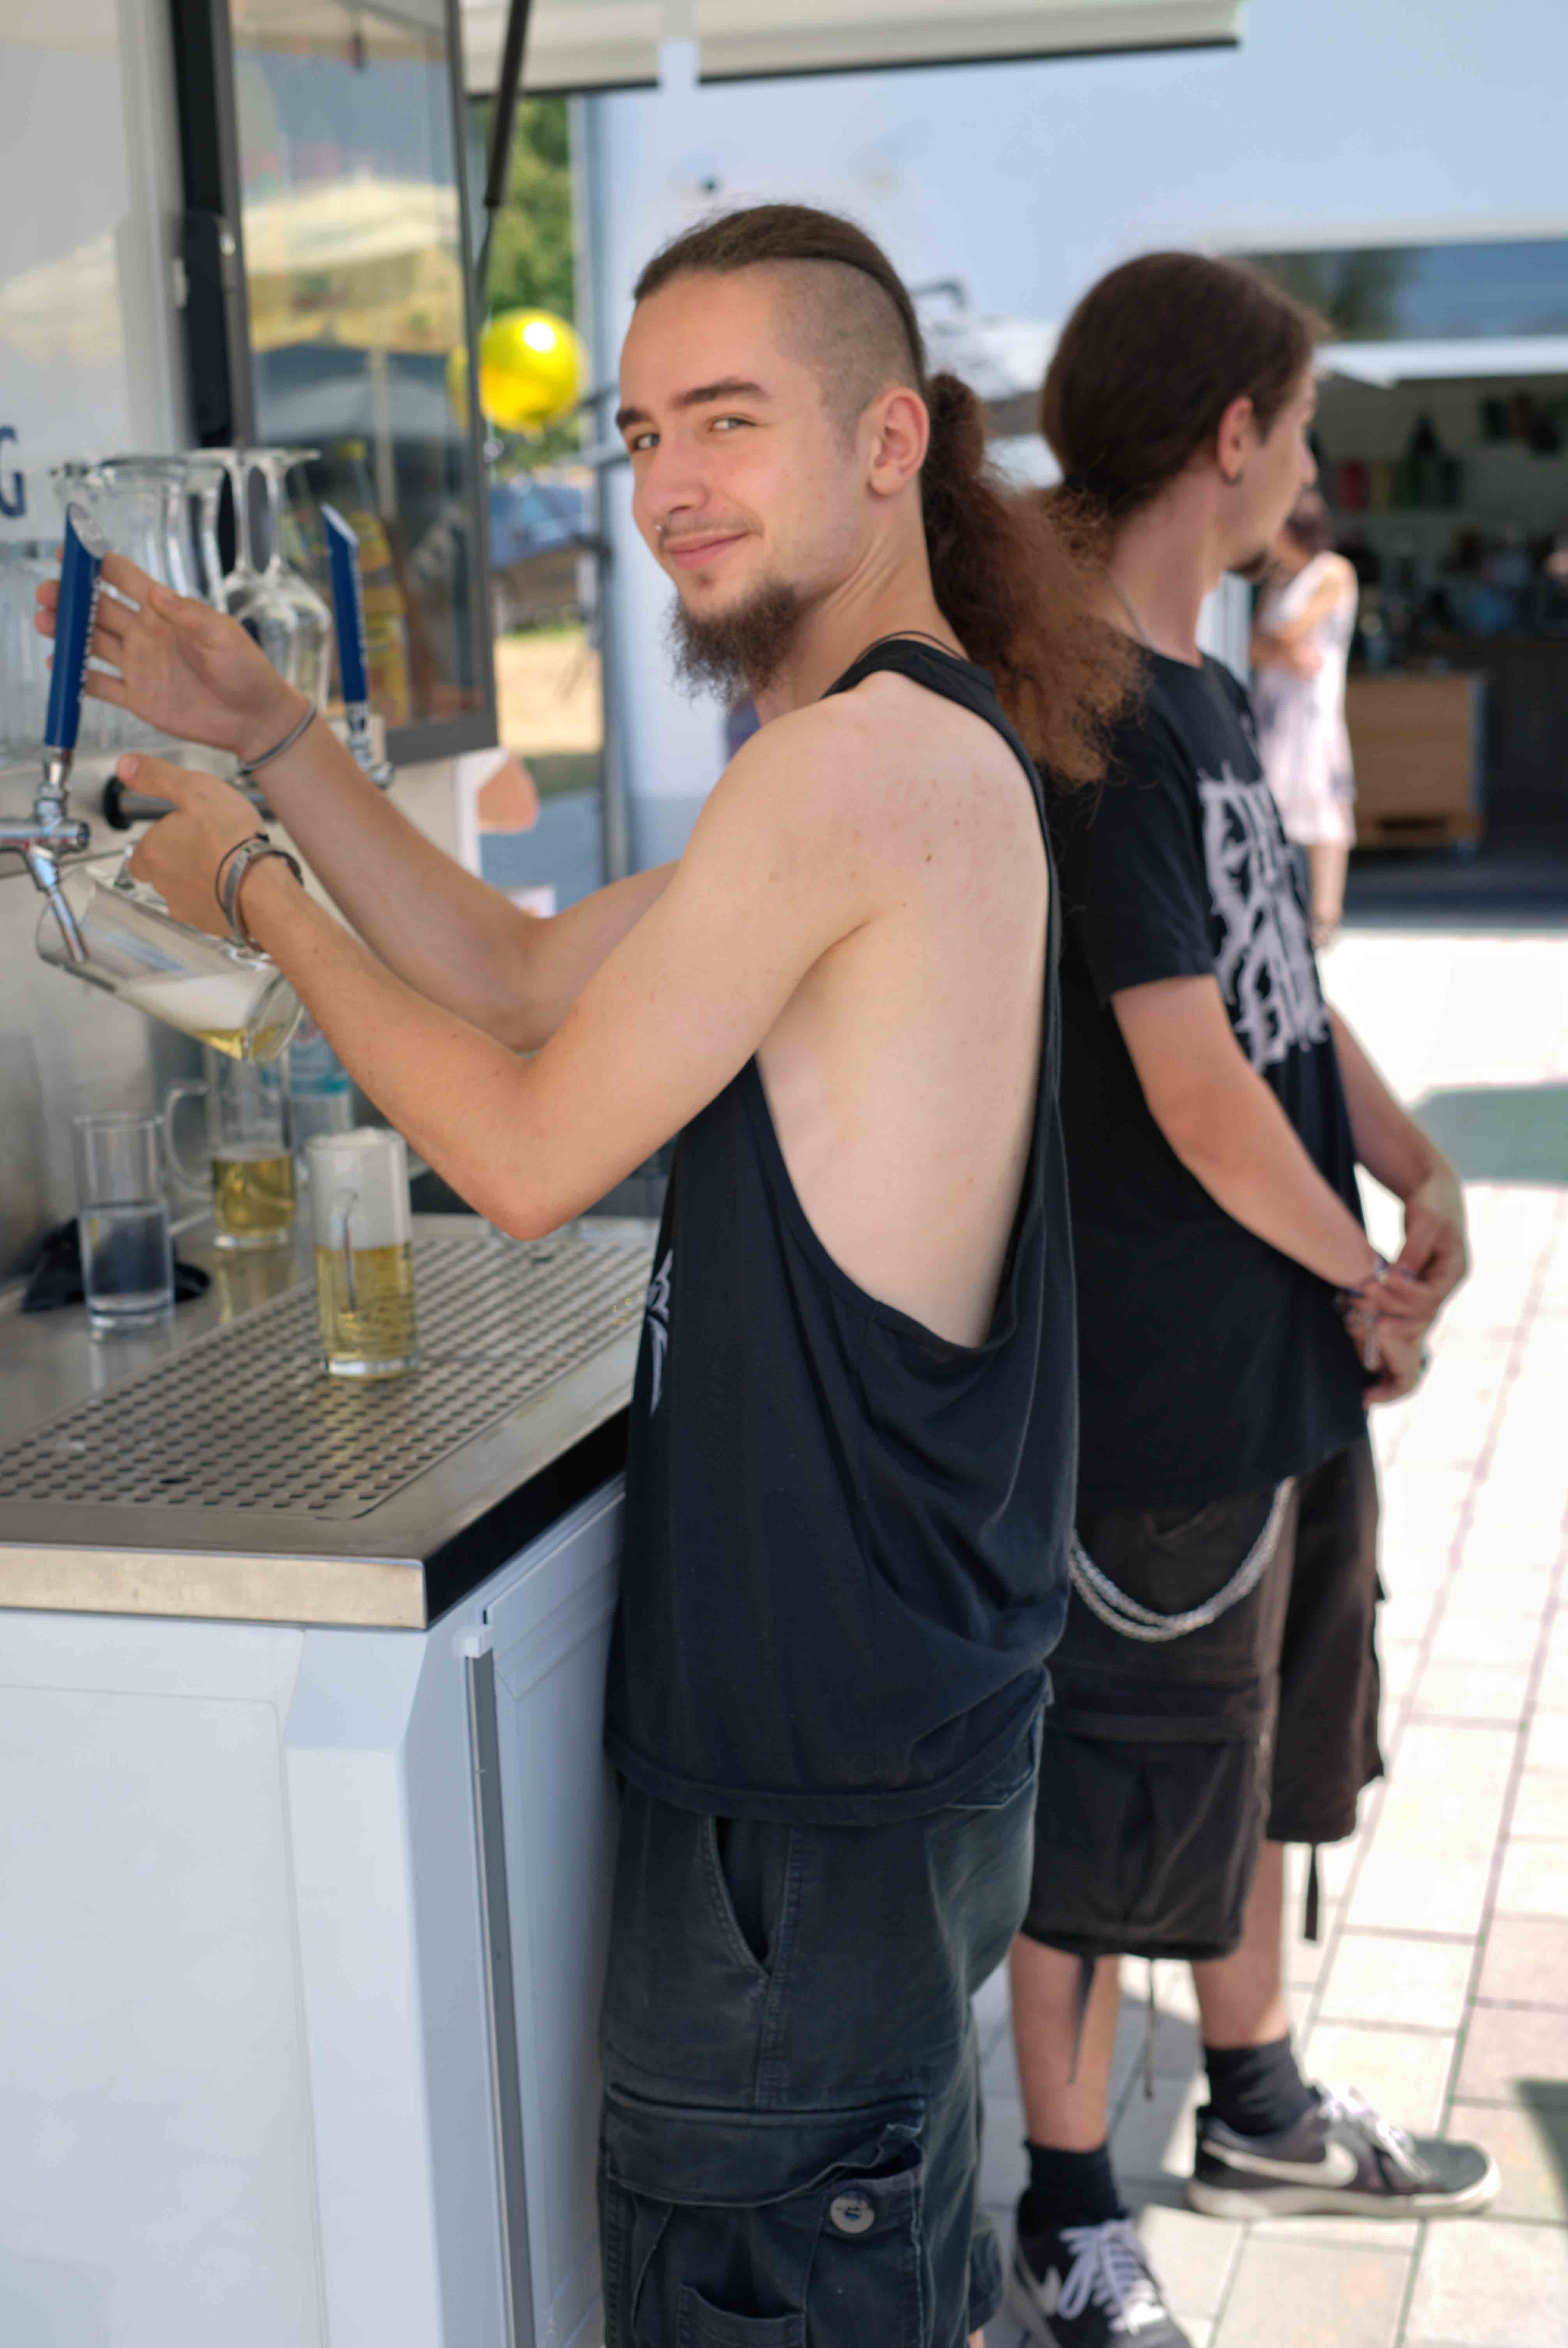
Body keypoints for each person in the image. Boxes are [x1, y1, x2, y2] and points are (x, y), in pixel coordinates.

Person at [39, 203, 1132, 2348]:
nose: (664, 487)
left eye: (726, 421)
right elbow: (529, 979)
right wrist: (280, 740)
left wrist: (249, 887)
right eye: (638, 435)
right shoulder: (898, 749)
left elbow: (522, 1153)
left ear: (889, 436)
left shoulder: (851, 772)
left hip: (805, 1796)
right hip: (880, 1750)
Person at [1001, 252, 1499, 2348]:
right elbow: (1193, 1097)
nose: (1311, 464)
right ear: (1230, 437)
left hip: (1271, 1365)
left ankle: (1262, 2105)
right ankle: (1063, 2218)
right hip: (1160, 1397)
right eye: (1296, 426)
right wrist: (1362, 1264)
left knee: (1257, 1754)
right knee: (1104, 1819)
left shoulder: (1193, 685)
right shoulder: (1091, 715)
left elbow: (1272, 1011)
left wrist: (1409, 1160)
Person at [1251, 488, 1360, 945]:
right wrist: (1281, 650)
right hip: (1273, 711)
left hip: (1312, 713)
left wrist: (1279, 645)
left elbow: (1294, 632)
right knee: (1272, 809)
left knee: (1324, 813)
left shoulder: (1332, 572)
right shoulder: (1278, 579)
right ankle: (1277, 905)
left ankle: (1324, 916)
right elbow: (1258, 645)